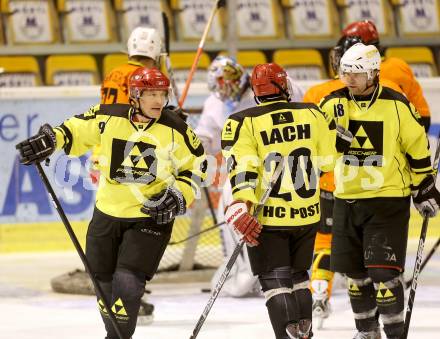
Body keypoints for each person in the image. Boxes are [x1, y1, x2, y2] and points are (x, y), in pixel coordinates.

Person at [16, 67, 207, 339]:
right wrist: (51, 138)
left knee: (128, 280)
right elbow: (74, 130)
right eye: (151, 94)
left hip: (149, 217)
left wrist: (178, 194)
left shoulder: (176, 129)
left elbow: (197, 168)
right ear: (135, 96)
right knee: (100, 279)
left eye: (162, 94)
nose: (158, 101)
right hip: (107, 213)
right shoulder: (108, 116)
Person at [303, 19, 432, 326]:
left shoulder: (396, 104)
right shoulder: (330, 101)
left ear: (374, 71)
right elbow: (318, 153)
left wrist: (424, 186)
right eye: (344, 71)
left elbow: (417, 143)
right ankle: (366, 332)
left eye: (355, 72)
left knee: (383, 275)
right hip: (345, 197)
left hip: (386, 198)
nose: (348, 78)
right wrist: (329, 142)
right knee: (355, 276)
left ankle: (394, 331)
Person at [221, 62, 336, 338]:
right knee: (298, 277)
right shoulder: (312, 113)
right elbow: (328, 160)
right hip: (308, 214)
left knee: (276, 282)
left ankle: (288, 335)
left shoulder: (242, 121)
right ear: (285, 86)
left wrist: (241, 205)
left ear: (255, 92)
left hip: (269, 219)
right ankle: (304, 334)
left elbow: (244, 169)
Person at [196, 56, 304, 297]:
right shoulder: (214, 103)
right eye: (219, 87)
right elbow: (205, 138)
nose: (224, 91)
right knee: (233, 212)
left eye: (228, 83)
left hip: (283, 167)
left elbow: (300, 110)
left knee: (284, 220)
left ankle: (294, 267)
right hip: (242, 170)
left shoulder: (267, 88)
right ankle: (242, 269)